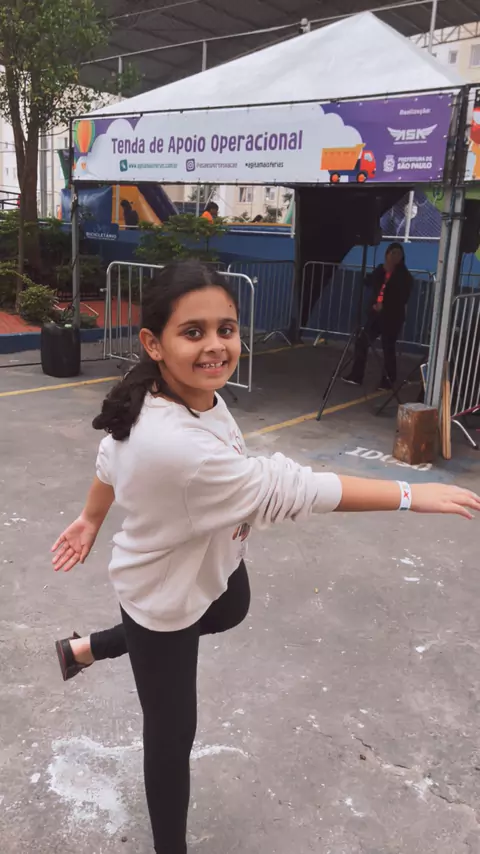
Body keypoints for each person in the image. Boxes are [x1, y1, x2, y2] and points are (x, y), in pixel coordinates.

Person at [51, 260, 479, 854]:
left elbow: (108, 453)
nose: (216, 346)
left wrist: (91, 517)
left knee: (232, 605)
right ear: (153, 343)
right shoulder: (175, 445)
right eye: (193, 332)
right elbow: (293, 487)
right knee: (171, 737)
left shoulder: (180, 392)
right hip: (160, 597)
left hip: (209, 563)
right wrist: (409, 494)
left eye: (225, 329)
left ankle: (88, 647)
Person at [344, 242, 413, 390]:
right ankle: (356, 375)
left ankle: (388, 380)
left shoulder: (404, 276)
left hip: (392, 317)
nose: (395, 256)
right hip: (376, 315)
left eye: (398, 254)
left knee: (388, 347)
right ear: (387, 254)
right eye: (392, 253)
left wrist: (385, 305)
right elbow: (371, 283)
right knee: (362, 341)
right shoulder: (380, 270)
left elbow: (402, 298)